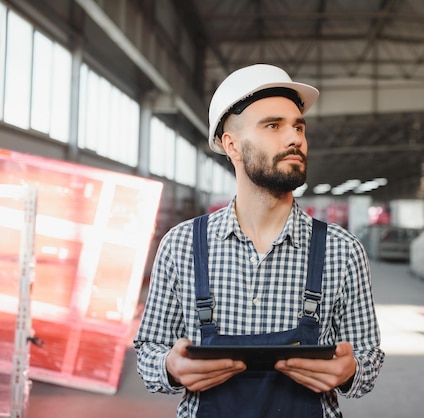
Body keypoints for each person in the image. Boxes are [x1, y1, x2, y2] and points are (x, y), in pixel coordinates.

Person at [134, 63, 384, 418]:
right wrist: (170, 367)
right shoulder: (182, 246)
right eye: (273, 126)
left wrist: (350, 371)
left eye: (299, 126)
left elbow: (368, 358)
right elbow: (149, 350)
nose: (294, 137)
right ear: (231, 145)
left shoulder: (342, 251)